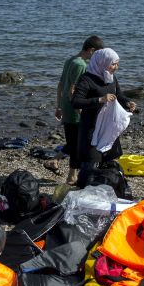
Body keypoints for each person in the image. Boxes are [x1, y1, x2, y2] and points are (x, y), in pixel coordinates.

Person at [45, 35, 104, 185]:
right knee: (77, 144)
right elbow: (73, 91)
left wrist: (59, 106)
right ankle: (71, 176)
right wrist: (80, 111)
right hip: (74, 109)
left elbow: (60, 85)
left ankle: (56, 162)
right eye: (97, 54)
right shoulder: (81, 65)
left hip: (66, 106)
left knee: (73, 142)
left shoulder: (70, 60)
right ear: (91, 50)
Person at [72, 48, 136, 185]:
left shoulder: (111, 78)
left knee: (107, 160)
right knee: (90, 162)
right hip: (91, 127)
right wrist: (100, 100)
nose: (116, 67)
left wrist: (127, 102)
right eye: (113, 64)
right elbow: (75, 102)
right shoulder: (86, 79)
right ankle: (83, 189)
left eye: (117, 64)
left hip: (108, 127)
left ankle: (104, 189)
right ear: (102, 62)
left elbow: (118, 95)